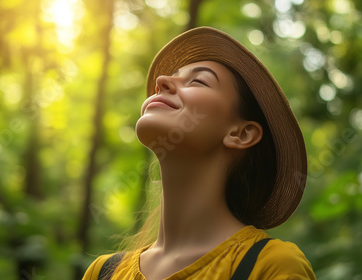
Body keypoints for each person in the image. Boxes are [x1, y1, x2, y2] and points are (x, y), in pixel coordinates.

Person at [83, 26, 315, 280]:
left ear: (241, 134)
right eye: (171, 76)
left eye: (198, 81)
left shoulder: (272, 266)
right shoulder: (102, 273)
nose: (161, 82)